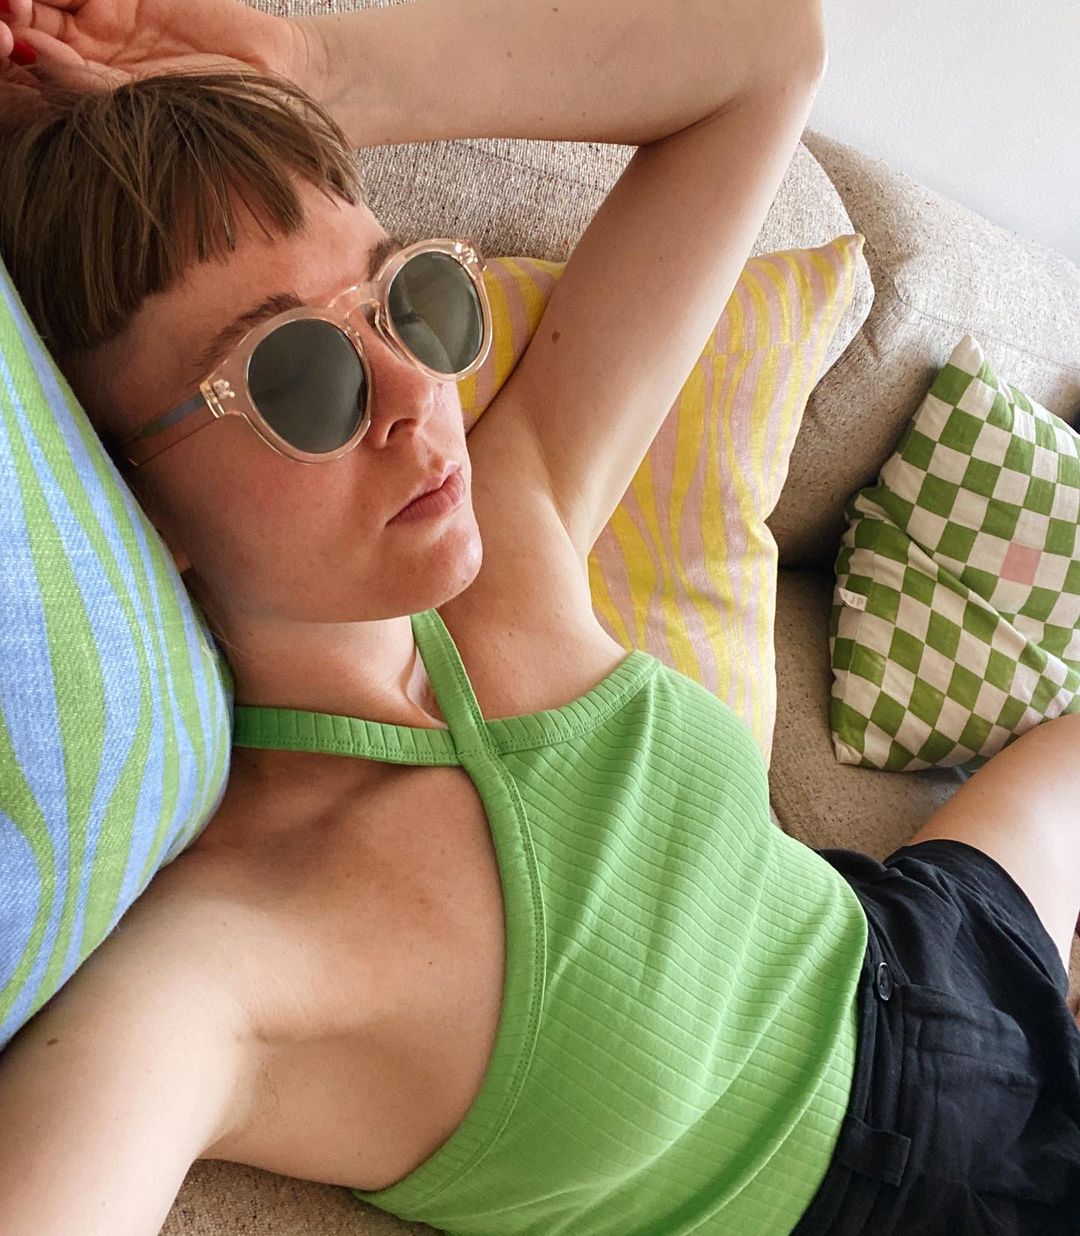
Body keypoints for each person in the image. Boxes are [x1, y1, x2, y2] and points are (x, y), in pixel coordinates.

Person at [0, 1, 1077, 1233]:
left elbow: (765, 57)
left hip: (920, 940)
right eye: (299, 374)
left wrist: (311, 67)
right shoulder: (231, 958)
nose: (417, 390)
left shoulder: (510, 530)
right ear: (123, 495)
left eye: (405, 296)